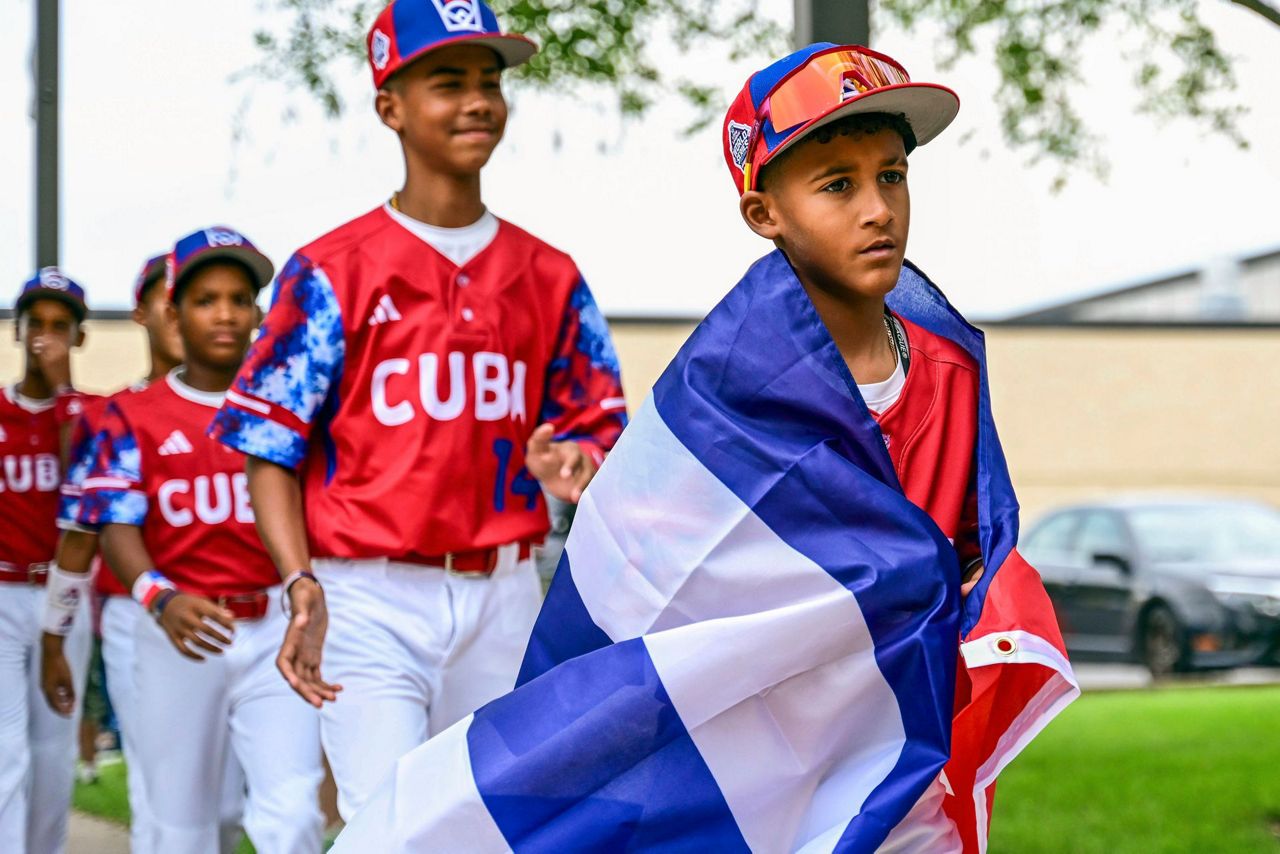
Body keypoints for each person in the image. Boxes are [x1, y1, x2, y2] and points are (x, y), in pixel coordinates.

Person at [331, 43, 1076, 854]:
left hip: (901, 734)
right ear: (765, 215)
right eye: (837, 185)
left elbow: (968, 544)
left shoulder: (949, 364)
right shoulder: (728, 384)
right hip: (759, 743)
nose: (878, 209)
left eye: (891, 175)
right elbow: (658, 584)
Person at [209, 0, 628, 821]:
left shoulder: (550, 273)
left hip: (503, 589)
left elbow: (597, 422)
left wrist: (576, 460)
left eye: (489, 81)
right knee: (388, 821)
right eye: (448, 81)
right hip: (366, 595)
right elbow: (269, 445)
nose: (477, 100)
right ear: (391, 105)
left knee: (490, 820)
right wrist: (300, 583)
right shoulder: (329, 269)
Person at [79, 227, 323, 854]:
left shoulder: (287, 409)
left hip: (275, 630)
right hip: (182, 632)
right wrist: (158, 596)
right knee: (179, 828)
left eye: (239, 299)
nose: (224, 314)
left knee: (293, 817)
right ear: (175, 312)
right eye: (206, 299)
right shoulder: (131, 415)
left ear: (257, 314)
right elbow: (115, 528)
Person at [40, 252, 248, 853]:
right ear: (153, 311)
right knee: (165, 800)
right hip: (142, 619)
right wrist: (57, 632)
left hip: (240, 617)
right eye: (182, 298)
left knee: (229, 804)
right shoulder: (112, 414)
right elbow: (77, 531)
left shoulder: (248, 409)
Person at [0, 268, 90, 854]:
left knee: (54, 752)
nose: (46, 337)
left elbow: (81, 490)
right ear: (18, 329)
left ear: (79, 338)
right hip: (3, 591)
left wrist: (65, 395)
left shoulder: (90, 416)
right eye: (37, 323)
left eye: (61, 326)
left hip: (66, 597)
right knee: (5, 751)